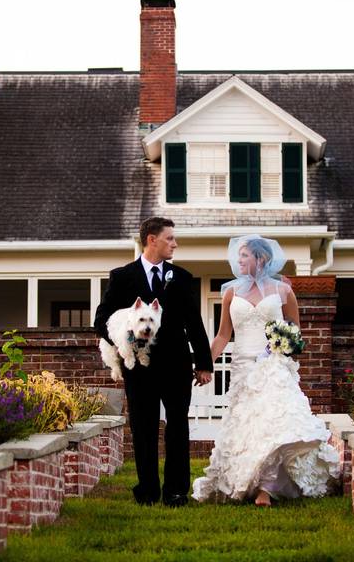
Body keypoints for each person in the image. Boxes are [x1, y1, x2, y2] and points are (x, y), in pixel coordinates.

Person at [192, 235, 340, 506]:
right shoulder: (230, 293)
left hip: (273, 366)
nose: (239, 260)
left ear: (261, 259)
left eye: (245, 255)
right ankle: (247, 479)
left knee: (274, 422)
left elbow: (296, 330)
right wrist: (205, 362)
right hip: (243, 368)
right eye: (239, 256)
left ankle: (266, 488)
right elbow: (223, 335)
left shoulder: (283, 291)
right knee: (249, 425)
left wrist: (284, 341)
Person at [94, 217, 213, 507]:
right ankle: (147, 491)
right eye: (170, 238)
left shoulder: (182, 277)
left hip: (176, 365)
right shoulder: (122, 276)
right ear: (152, 239)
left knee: (177, 427)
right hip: (139, 368)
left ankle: (176, 492)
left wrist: (204, 363)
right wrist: (124, 348)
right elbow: (101, 320)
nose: (175, 243)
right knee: (143, 428)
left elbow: (194, 322)